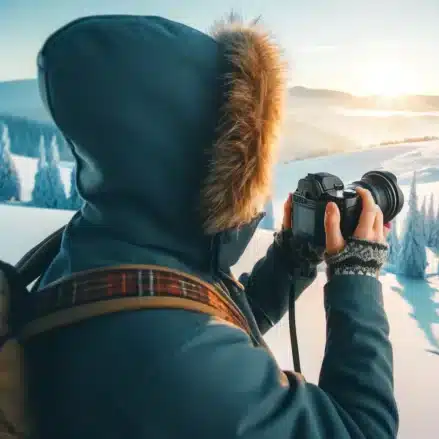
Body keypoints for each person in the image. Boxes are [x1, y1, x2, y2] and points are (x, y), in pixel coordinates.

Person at [23, 14, 398, 438]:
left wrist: (289, 261)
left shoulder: (104, 249)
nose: (259, 174)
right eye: (249, 154)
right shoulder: (173, 362)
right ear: (207, 163)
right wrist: (357, 276)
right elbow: (360, 431)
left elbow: (207, 320)